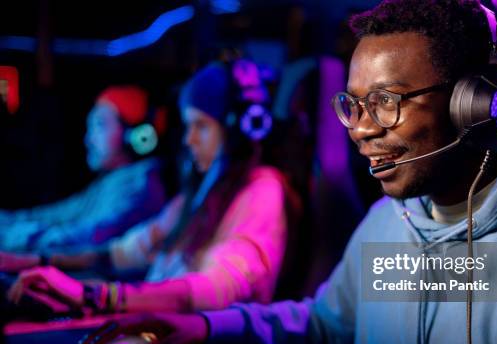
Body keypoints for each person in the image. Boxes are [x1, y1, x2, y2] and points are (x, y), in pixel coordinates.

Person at [67, 0, 497, 344]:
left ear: (480, 105)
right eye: (352, 105)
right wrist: (205, 329)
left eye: (385, 102)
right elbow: (329, 330)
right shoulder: (387, 223)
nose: (360, 130)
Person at [7, 60, 294, 314]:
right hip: (156, 333)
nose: (188, 140)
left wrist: (95, 296)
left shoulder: (262, 192)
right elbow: (124, 253)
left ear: (240, 128)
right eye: (187, 127)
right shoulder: (201, 193)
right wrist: (37, 262)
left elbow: (213, 290)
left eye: (201, 126)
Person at [0, 85, 167, 254]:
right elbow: (58, 214)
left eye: (100, 126)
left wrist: (8, 236)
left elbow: (83, 240)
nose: (89, 139)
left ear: (138, 136)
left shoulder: (138, 186)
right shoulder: (112, 181)